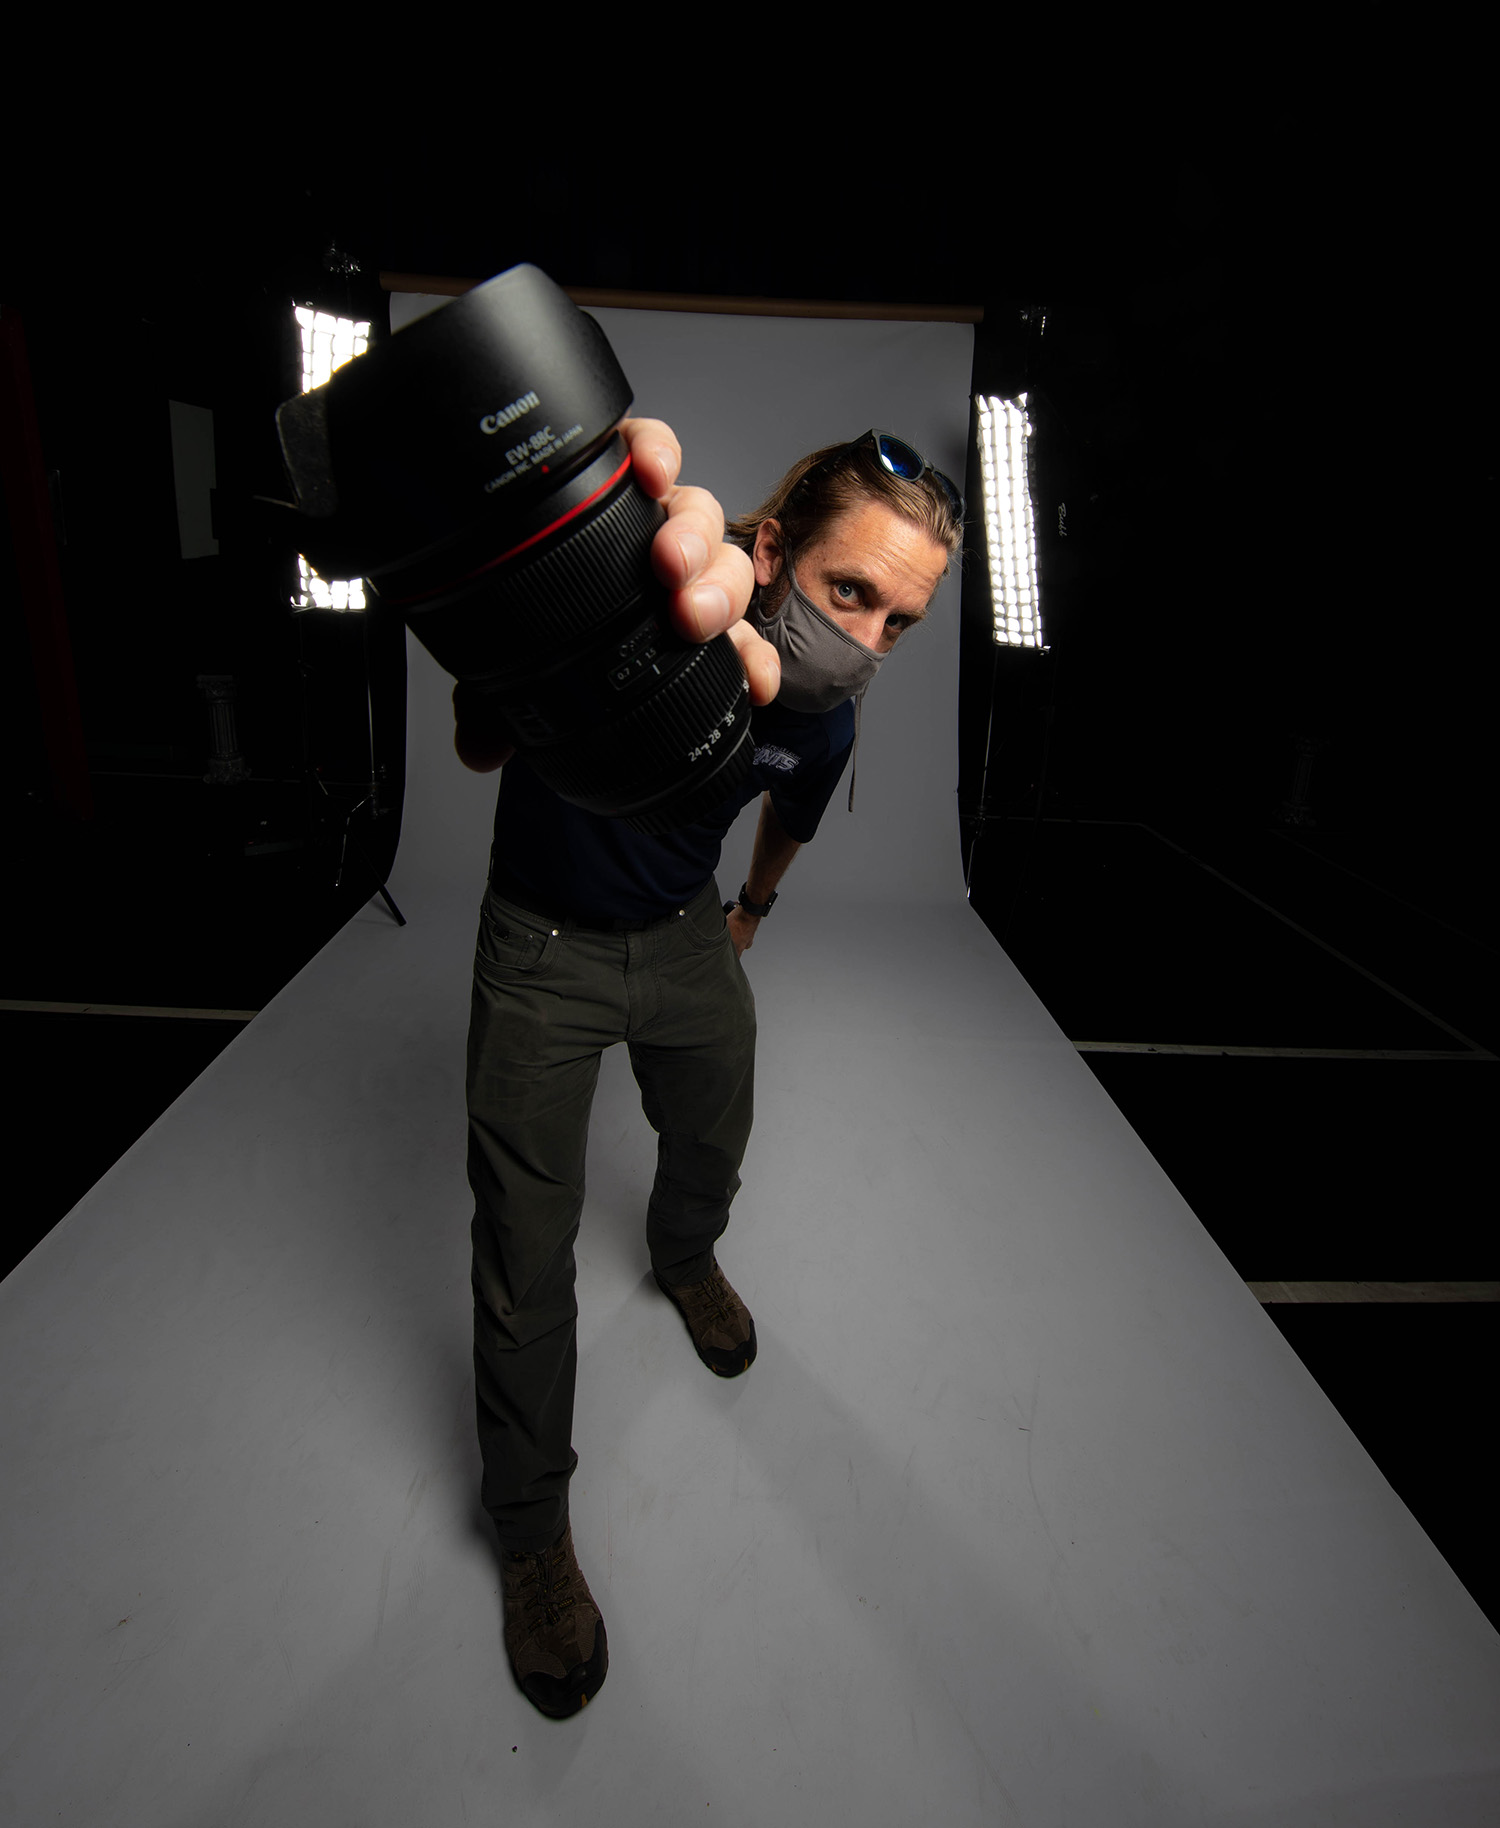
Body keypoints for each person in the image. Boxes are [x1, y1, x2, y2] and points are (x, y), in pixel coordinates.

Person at [452, 418, 964, 1721]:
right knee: (523, 1258)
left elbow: (787, 821)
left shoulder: (827, 727)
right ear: (777, 550)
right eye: (849, 592)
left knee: (718, 1125)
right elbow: (489, 704)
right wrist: (552, 623)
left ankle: (684, 1255)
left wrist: (748, 917)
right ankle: (529, 1531)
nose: (865, 641)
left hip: (683, 939)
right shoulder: (655, 609)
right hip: (545, 946)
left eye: (899, 622)